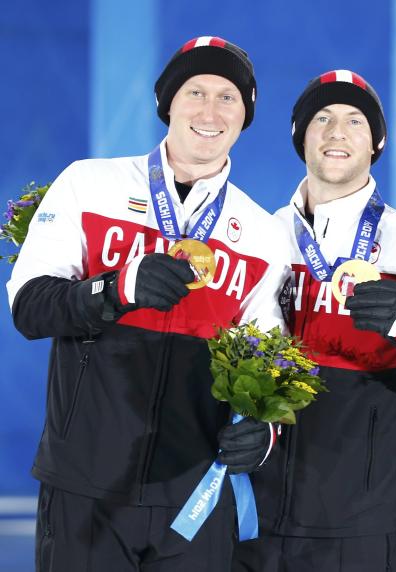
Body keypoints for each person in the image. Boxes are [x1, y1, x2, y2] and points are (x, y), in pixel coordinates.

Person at [7, 36, 288, 572]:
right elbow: (29, 307)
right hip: (86, 485)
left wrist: (265, 430)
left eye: (228, 97)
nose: (210, 110)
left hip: (195, 496)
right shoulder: (89, 184)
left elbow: (268, 358)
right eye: (195, 91)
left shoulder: (260, 232)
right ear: (167, 103)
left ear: (245, 115)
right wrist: (116, 289)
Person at [232, 69, 396, 572]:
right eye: (322, 119)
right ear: (299, 136)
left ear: (376, 143)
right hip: (257, 513)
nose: (336, 132)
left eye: (355, 121)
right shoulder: (258, 238)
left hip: (363, 523)